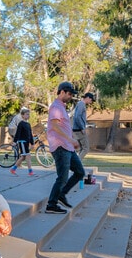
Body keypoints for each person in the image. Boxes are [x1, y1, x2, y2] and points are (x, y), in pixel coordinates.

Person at [45, 81, 86, 214]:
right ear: (61, 92)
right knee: (62, 177)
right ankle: (51, 205)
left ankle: (61, 194)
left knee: (80, 172)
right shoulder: (55, 107)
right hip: (60, 146)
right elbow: (55, 126)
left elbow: (63, 126)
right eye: (69, 94)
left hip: (68, 147)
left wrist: (71, 140)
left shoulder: (62, 107)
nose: (70, 96)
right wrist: (70, 139)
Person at [9, 108, 35, 176]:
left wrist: (32, 143)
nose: (28, 115)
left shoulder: (28, 124)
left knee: (23, 157)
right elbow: (18, 133)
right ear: (22, 115)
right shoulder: (21, 123)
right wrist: (15, 141)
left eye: (29, 114)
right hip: (22, 142)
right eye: (26, 114)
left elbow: (30, 134)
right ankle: (30, 171)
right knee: (28, 156)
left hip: (26, 142)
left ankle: (13, 169)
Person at [72, 92, 95, 160]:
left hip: (76, 129)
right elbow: (77, 117)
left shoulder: (79, 104)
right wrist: (82, 127)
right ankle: (77, 164)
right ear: (87, 98)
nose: (91, 102)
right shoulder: (81, 104)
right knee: (86, 148)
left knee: (80, 148)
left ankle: (76, 162)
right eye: (91, 100)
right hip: (79, 130)